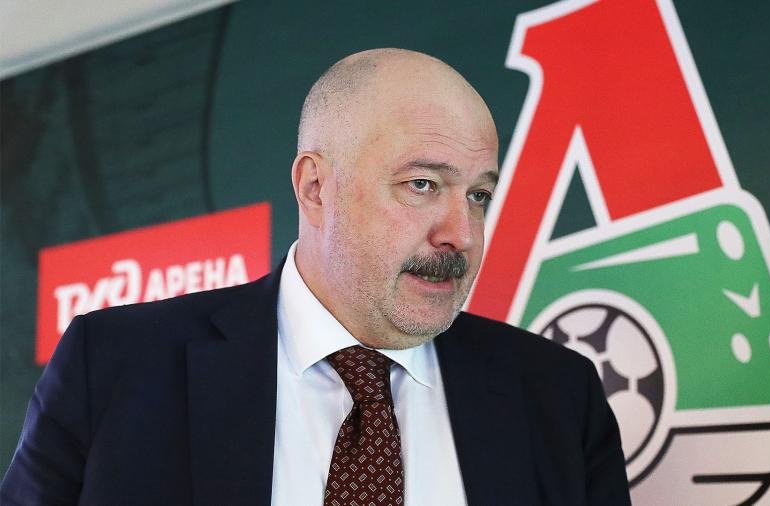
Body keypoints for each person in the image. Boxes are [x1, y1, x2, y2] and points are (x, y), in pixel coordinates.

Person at [1, 48, 630, 505]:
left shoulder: (558, 397)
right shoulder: (116, 365)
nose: (461, 234)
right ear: (315, 187)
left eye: (479, 196)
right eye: (422, 184)